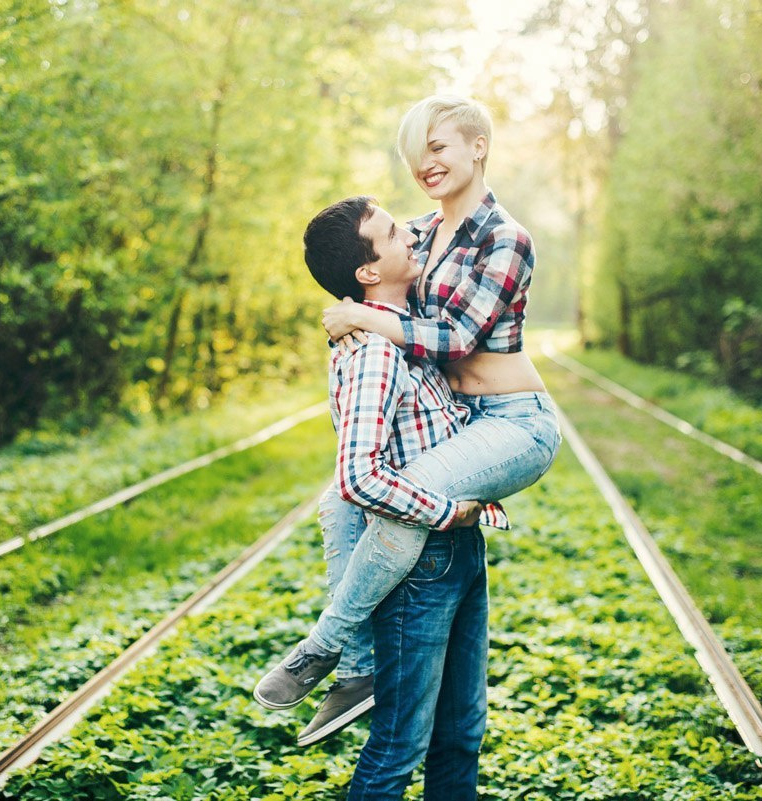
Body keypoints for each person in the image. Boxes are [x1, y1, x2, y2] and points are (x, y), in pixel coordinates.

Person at [255, 95, 562, 756]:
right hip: (459, 424)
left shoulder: (504, 238)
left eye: (439, 146)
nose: (426, 163)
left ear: (478, 145)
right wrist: (355, 309)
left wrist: (360, 317)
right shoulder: (420, 234)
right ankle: (359, 668)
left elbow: (452, 339)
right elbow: (370, 274)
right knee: (338, 498)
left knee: (398, 497)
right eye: (416, 152)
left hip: (512, 424)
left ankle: (325, 642)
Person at [258, 195, 498, 798]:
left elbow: (433, 224)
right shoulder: (374, 354)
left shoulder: (397, 316)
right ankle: (333, 656)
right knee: (399, 747)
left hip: (460, 553)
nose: (411, 236)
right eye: (394, 234)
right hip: (419, 560)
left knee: (462, 732)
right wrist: (447, 511)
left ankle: (343, 660)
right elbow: (357, 477)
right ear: (369, 273)